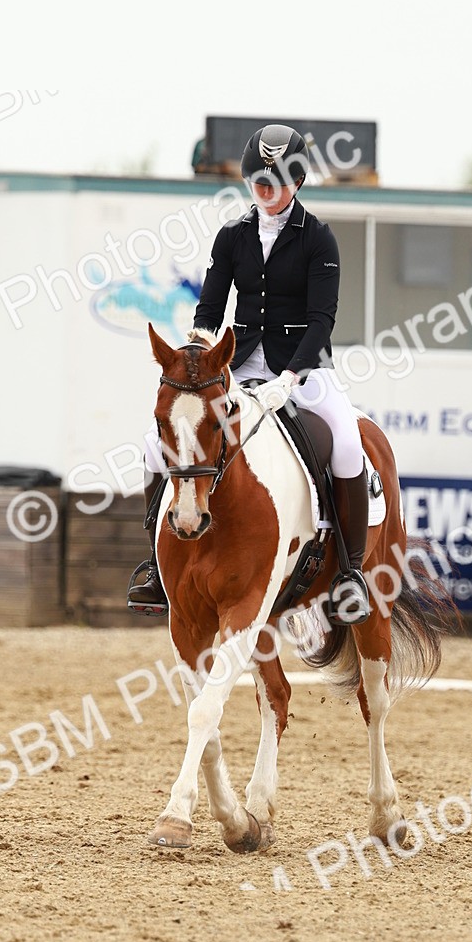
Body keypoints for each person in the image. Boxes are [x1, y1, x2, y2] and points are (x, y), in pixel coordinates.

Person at [127, 123, 371, 624]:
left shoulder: (319, 239)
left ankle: (351, 572)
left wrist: (292, 375)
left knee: (347, 444)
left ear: (297, 182)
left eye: (275, 180)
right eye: (258, 179)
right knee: (156, 445)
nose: (265, 189)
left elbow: (323, 317)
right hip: (239, 367)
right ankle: (157, 562)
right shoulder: (233, 236)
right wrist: (195, 347)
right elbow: (210, 307)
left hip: (305, 368)